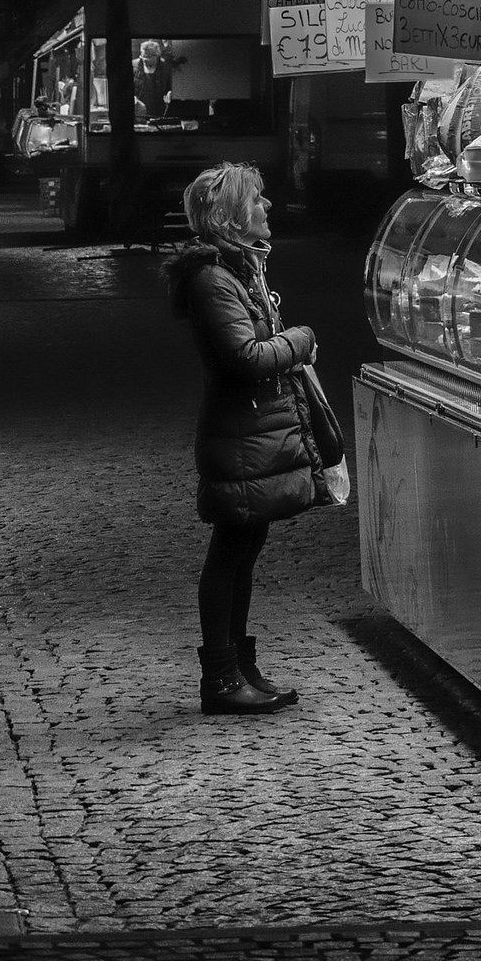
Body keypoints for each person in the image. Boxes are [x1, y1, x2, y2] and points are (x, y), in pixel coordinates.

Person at [162, 163, 321, 715]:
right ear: (233, 216)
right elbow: (244, 358)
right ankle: (222, 679)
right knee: (231, 553)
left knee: (245, 550)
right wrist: (299, 341)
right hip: (238, 436)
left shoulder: (237, 272)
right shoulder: (214, 280)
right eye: (258, 198)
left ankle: (239, 666)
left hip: (251, 432)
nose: (268, 206)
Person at [132, 40, 172, 117]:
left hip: (159, 111)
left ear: (156, 57)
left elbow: (170, 88)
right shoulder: (133, 66)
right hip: (138, 112)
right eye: (143, 57)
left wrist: (170, 94)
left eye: (147, 59)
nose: (144, 60)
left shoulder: (165, 68)